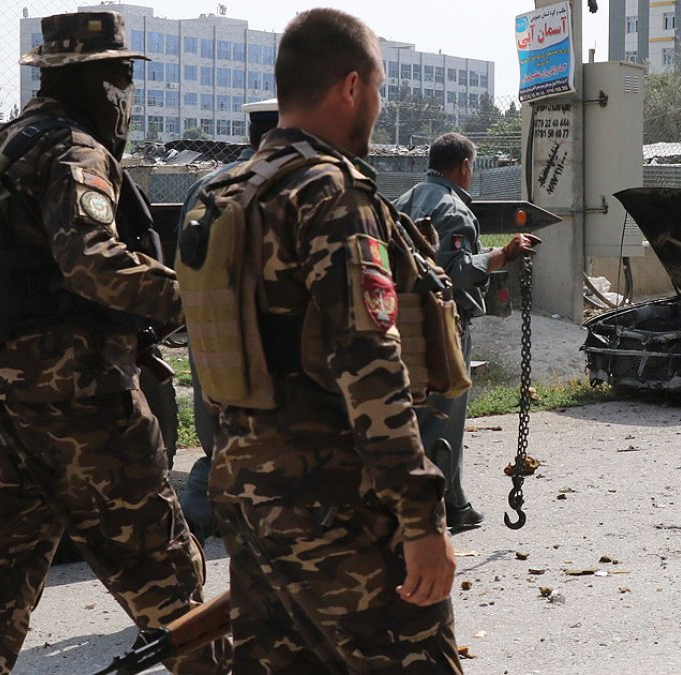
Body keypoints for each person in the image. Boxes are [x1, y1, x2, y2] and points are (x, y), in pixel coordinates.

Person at [0, 11, 230, 674]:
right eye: (120, 76)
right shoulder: (72, 148)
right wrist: (205, 303)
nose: (126, 92)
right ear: (93, 80)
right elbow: (94, 261)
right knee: (167, 577)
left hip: (8, 396)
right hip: (82, 401)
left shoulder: (1, 144)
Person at [207, 8, 462, 672]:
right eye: (377, 89)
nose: (378, 106)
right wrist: (421, 517)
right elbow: (370, 361)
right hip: (335, 502)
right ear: (351, 87)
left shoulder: (229, 191)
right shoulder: (331, 192)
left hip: (248, 493)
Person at [394, 133, 539, 530]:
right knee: (445, 417)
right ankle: (450, 505)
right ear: (464, 167)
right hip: (441, 328)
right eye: (472, 167)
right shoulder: (454, 209)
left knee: (411, 416)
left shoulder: (404, 201)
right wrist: (502, 254)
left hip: (399, 325)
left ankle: (403, 502)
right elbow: (455, 272)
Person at [176, 98, 278, 540]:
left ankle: (200, 514)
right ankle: (202, 511)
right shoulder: (274, 186)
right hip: (256, 337)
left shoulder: (205, 187)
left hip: (206, 329)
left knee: (217, 432)